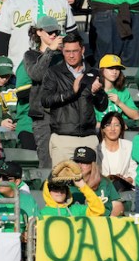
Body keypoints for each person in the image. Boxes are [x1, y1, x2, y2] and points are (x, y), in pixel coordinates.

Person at [40, 32, 107, 166]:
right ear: (62, 51)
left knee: (90, 184)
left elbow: (102, 106)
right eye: (67, 51)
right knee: (62, 184)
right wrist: (72, 91)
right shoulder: (54, 72)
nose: (71, 55)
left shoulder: (94, 72)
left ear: (82, 50)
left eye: (75, 51)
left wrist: (97, 93)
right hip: (63, 138)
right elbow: (45, 100)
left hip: (89, 137)